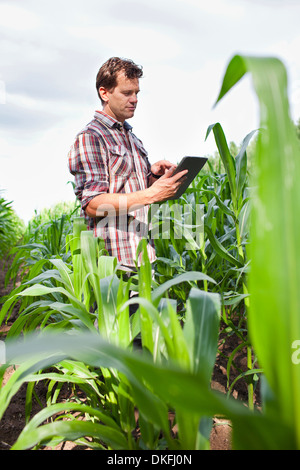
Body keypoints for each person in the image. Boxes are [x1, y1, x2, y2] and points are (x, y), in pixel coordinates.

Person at [68, 57, 187, 272]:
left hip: (143, 257)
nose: (134, 99)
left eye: (137, 93)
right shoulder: (91, 137)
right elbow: (93, 204)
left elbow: (134, 189)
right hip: (112, 264)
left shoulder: (132, 138)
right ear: (104, 93)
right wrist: (152, 194)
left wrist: (154, 178)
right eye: (126, 93)